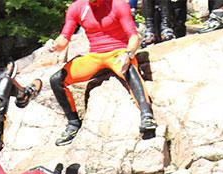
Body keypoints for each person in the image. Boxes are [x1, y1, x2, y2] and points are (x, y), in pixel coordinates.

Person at [47, 0, 158, 146]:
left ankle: (147, 115)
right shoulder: (77, 7)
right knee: (56, 80)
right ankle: (73, 123)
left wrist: (129, 54)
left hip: (118, 52)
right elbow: (64, 38)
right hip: (95, 56)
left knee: (128, 68)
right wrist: (55, 46)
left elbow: (133, 36)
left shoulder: (118, 4)